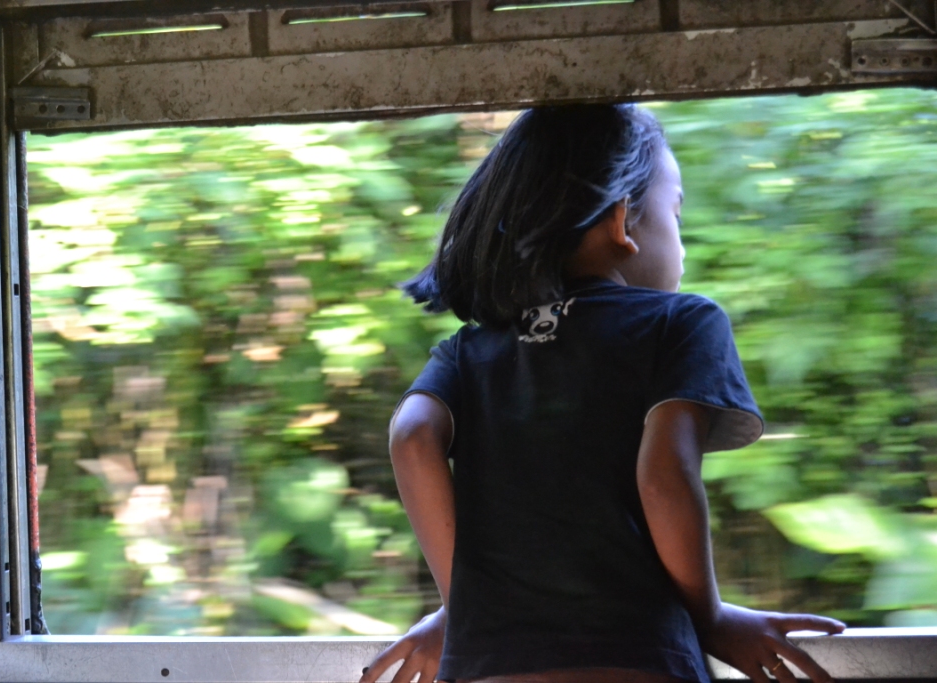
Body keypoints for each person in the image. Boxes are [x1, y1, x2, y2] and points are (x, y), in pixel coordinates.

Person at [359, 104, 845, 683]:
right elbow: (663, 477)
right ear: (622, 224)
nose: (682, 245)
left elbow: (412, 438)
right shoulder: (681, 322)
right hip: (638, 658)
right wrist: (710, 618)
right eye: (675, 213)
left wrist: (466, 608)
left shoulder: (467, 350)